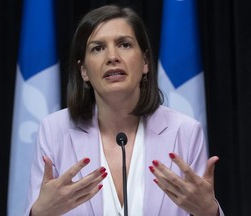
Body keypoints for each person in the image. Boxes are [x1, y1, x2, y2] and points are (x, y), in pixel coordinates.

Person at [24, 5, 224, 216]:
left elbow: (203, 208)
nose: (112, 56)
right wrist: (38, 214)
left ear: (145, 62)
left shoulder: (185, 132)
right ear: (83, 71)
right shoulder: (55, 130)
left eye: (124, 45)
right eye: (98, 48)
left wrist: (209, 212)